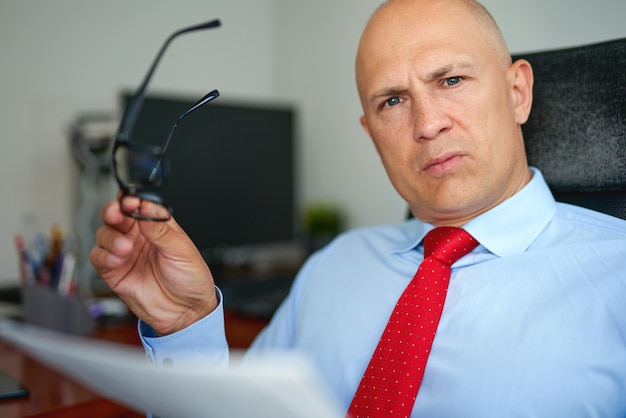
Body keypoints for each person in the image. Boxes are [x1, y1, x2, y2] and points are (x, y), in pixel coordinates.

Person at [90, 0, 626, 416]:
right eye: (392, 101)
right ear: (371, 133)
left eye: (452, 80)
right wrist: (188, 326)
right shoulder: (332, 267)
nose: (426, 123)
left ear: (517, 93)